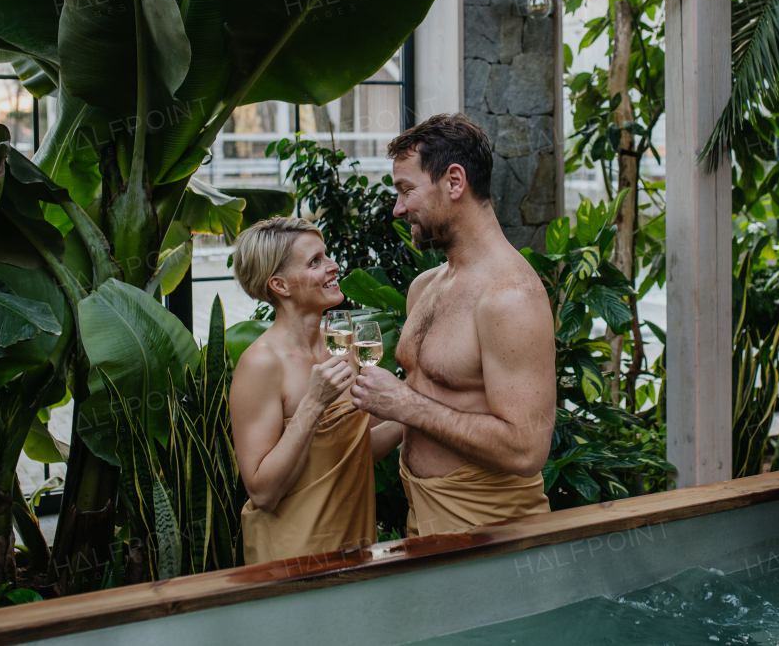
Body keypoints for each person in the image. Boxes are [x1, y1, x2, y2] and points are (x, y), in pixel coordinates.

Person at [350, 113, 556, 536]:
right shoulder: (425, 286)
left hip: (493, 536)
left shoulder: (511, 297)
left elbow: (525, 449)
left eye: (407, 189)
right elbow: (425, 400)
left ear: (455, 181)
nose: (398, 207)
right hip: (422, 525)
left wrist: (405, 405)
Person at [230, 217, 402, 565]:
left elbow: (355, 449)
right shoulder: (261, 364)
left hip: (355, 545)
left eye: (326, 256)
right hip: (291, 556)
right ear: (279, 284)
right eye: (315, 262)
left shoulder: (343, 348)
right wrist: (313, 402)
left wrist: (414, 408)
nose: (333, 266)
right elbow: (263, 492)